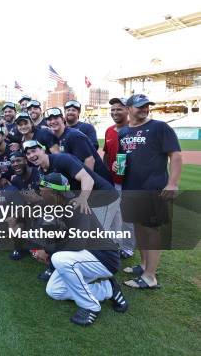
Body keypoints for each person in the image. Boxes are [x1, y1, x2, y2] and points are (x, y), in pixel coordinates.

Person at [38, 173, 129, 326]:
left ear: (53, 192)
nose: (40, 190)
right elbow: (56, 239)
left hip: (104, 259)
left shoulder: (76, 205)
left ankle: (90, 306)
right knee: (54, 290)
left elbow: (77, 243)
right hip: (83, 257)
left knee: (59, 258)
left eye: (42, 188)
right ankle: (108, 289)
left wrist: (48, 251)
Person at [118, 94, 181, 289]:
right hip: (131, 187)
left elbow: (176, 156)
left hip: (153, 188)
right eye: (139, 106)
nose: (144, 109)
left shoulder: (160, 127)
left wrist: (172, 183)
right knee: (138, 226)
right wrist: (118, 167)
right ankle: (144, 265)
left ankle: (150, 277)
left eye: (146, 106)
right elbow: (123, 158)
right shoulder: (124, 132)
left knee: (151, 229)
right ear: (129, 108)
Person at [103, 97, 135, 258]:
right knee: (114, 216)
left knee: (128, 217)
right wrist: (105, 172)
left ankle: (128, 248)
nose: (115, 112)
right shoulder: (109, 131)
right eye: (113, 109)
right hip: (112, 181)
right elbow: (107, 155)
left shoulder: (135, 129)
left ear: (128, 110)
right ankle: (116, 244)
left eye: (119, 109)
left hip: (130, 182)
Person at [45, 107, 112, 183]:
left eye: (56, 118)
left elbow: (90, 160)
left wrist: (84, 184)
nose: (53, 121)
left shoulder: (73, 135)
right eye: (49, 119)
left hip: (100, 184)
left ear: (63, 119)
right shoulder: (55, 138)